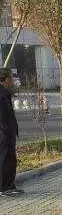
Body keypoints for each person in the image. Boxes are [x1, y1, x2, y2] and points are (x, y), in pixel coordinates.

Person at [0, 68, 21, 197]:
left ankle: (10, 185)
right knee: (4, 160)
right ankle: (3, 188)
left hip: (9, 132)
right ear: (6, 79)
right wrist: (4, 131)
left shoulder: (6, 92)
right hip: (3, 134)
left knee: (11, 159)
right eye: (11, 78)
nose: (13, 80)